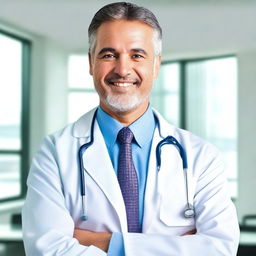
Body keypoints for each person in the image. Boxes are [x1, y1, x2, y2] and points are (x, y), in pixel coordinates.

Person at [22, 2, 240, 255]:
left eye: (137, 55)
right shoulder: (54, 152)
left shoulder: (201, 156)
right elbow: (46, 250)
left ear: (156, 64)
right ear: (91, 62)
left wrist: (105, 242)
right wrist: (177, 245)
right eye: (108, 54)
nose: (123, 69)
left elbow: (219, 249)